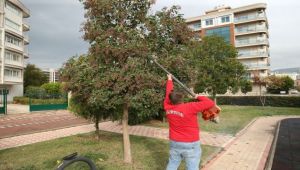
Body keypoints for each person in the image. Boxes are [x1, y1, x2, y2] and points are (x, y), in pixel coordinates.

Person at [164, 74, 215, 170]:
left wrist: (169, 80)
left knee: (172, 164)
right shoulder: (190, 107)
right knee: (192, 167)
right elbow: (210, 103)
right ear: (181, 99)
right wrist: (197, 96)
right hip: (190, 143)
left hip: (175, 142)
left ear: (171, 100)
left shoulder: (167, 107)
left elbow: (168, 95)